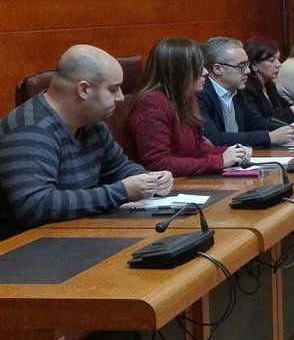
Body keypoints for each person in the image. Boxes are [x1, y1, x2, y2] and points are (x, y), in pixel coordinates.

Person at [0, 45, 173, 239]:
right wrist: (122, 192)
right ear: (83, 89)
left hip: (75, 234)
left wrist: (149, 180)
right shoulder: (31, 130)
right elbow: (37, 206)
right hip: (25, 247)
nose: (120, 98)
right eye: (113, 89)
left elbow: (118, 168)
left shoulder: (91, 123)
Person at [124, 38, 248, 176]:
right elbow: (158, 163)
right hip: (163, 185)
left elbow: (197, 148)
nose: (205, 72)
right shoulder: (151, 103)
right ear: (179, 71)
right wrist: (220, 160)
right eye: (198, 67)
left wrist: (233, 152)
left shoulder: (185, 98)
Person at [198, 37, 294, 148]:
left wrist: (289, 129)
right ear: (217, 69)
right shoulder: (201, 94)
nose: (248, 71)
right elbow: (214, 138)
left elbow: (255, 123)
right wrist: (269, 137)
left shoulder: (237, 91)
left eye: (247, 65)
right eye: (241, 66)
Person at [243, 37, 294, 123]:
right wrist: (293, 110)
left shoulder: (270, 86)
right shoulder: (247, 89)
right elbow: (256, 124)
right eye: (272, 60)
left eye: (278, 59)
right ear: (254, 65)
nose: (279, 64)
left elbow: (284, 110)